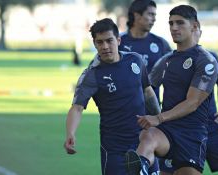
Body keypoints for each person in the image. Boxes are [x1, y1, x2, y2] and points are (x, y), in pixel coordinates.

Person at [125, 5, 218, 175]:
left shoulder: (206, 61)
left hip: (191, 136)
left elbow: (193, 103)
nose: (174, 28)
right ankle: (141, 169)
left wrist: (158, 117)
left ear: (194, 26)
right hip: (167, 131)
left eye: (180, 23)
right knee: (148, 136)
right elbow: (146, 89)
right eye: (171, 23)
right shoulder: (166, 61)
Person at [63, 18, 161, 175]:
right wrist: (70, 133)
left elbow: (147, 92)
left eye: (109, 41)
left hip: (144, 142)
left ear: (118, 40)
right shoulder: (91, 75)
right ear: (94, 44)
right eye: (100, 42)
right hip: (115, 148)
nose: (105, 46)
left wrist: (159, 119)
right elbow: (77, 108)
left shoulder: (135, 59)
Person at [158, 25, 218, 175]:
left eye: (195, 30)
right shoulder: (171, 60)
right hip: (179, 128)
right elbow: (151, 87)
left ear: (198, 32)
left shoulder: (209, 58)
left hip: (211, 125)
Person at [119, 0, 171, 100]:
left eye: (155, 15)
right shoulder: (119, 42)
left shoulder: (161, 43)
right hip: (123, 107)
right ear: (137, 15)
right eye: (150, 14)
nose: (154, 19)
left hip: (151, 108)